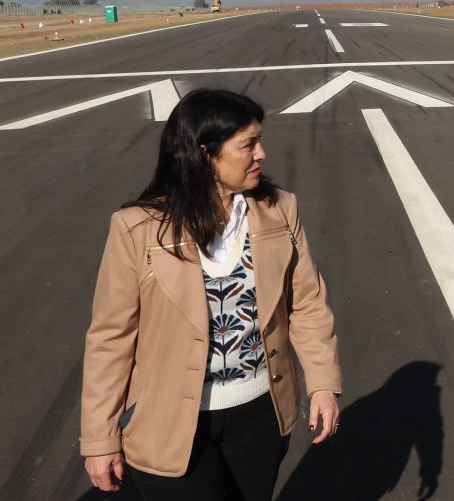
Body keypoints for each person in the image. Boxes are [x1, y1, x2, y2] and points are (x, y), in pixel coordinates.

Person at [81, 88, 342, 500]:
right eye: (249, 144)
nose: (262, 154)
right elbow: (110, 337)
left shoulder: (279, 209)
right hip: (169, 421)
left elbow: (306, 301)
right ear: (205, 154)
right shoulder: (137, 228)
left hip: (260, 412)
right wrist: (100, 437)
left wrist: (323, 383)